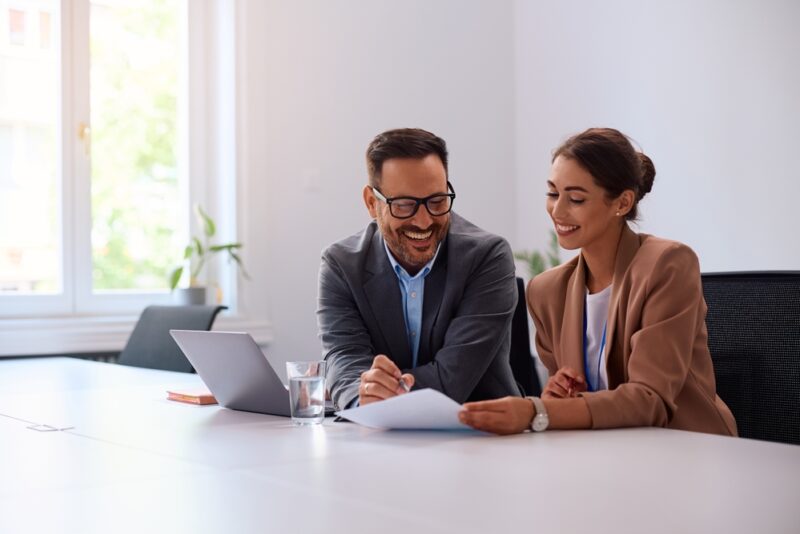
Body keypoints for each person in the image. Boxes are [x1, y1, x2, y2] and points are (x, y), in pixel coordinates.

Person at [459, 127, 737, 436]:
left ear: (621, 203)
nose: (558, 211)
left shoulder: (668, 264)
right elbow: (571, 402)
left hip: (685, 447)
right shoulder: (547, 292)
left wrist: (538, 411)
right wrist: (558, 397)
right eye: (552, 194)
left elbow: (650, 400)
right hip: (605, 451)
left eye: (576, 199)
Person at [318, 127, 520, 409]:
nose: (424, 222)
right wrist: (359, 395)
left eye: (437, 202)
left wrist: (377, 394)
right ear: (371, 202)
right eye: (404, 205)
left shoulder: (487, 256)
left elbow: (453, 378)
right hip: (379, 436)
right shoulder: (341, 265)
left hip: (476, 434)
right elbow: (344, 359)